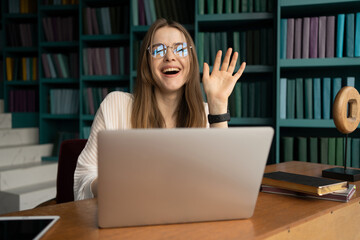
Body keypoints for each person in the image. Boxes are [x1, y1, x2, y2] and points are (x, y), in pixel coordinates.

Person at [74, 18, 246, 200]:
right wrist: (116, 185)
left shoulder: (207, 114)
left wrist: (218, 104)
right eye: (158, 50)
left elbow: (225, 188)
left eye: (179, 49)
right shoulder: (116, 105)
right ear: (147, 63)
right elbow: (82, 179)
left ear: (191, 60)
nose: (170, 57)